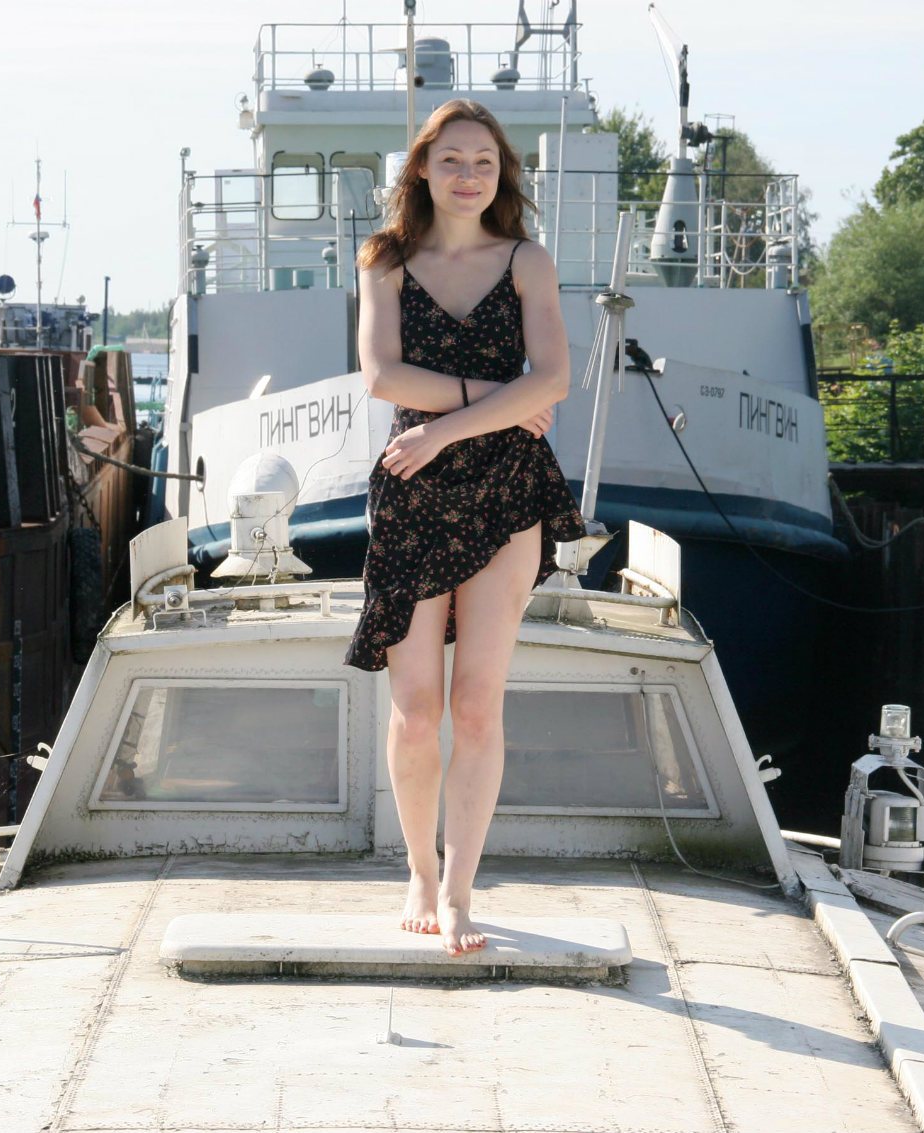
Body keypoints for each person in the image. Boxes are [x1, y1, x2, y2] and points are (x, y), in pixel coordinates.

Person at [344, 99, 587, 956]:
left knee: (476, 706)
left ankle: (458, 891)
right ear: (421, 167)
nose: (468, 175)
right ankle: (417, 869)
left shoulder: (527, 261)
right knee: (416, 711)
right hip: (413, 489)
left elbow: (553, 380)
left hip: (506, 490)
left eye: (484, 161)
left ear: (501, 174)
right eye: (451, 159)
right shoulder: (384, 260)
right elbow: (382, 375)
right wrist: (495, 399)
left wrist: (447, 427)